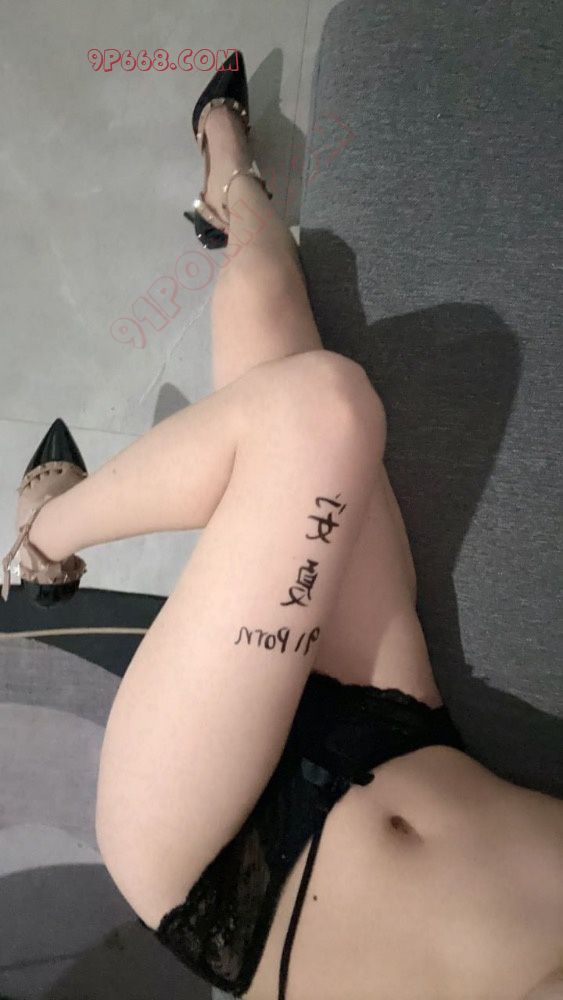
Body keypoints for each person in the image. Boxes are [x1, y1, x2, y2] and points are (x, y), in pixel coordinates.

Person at [3, 52, 562, 1000]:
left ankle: (44, 536)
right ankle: (232, 187)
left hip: (227, 875)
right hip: (394, 720)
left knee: (311, 408)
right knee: (307, 387)